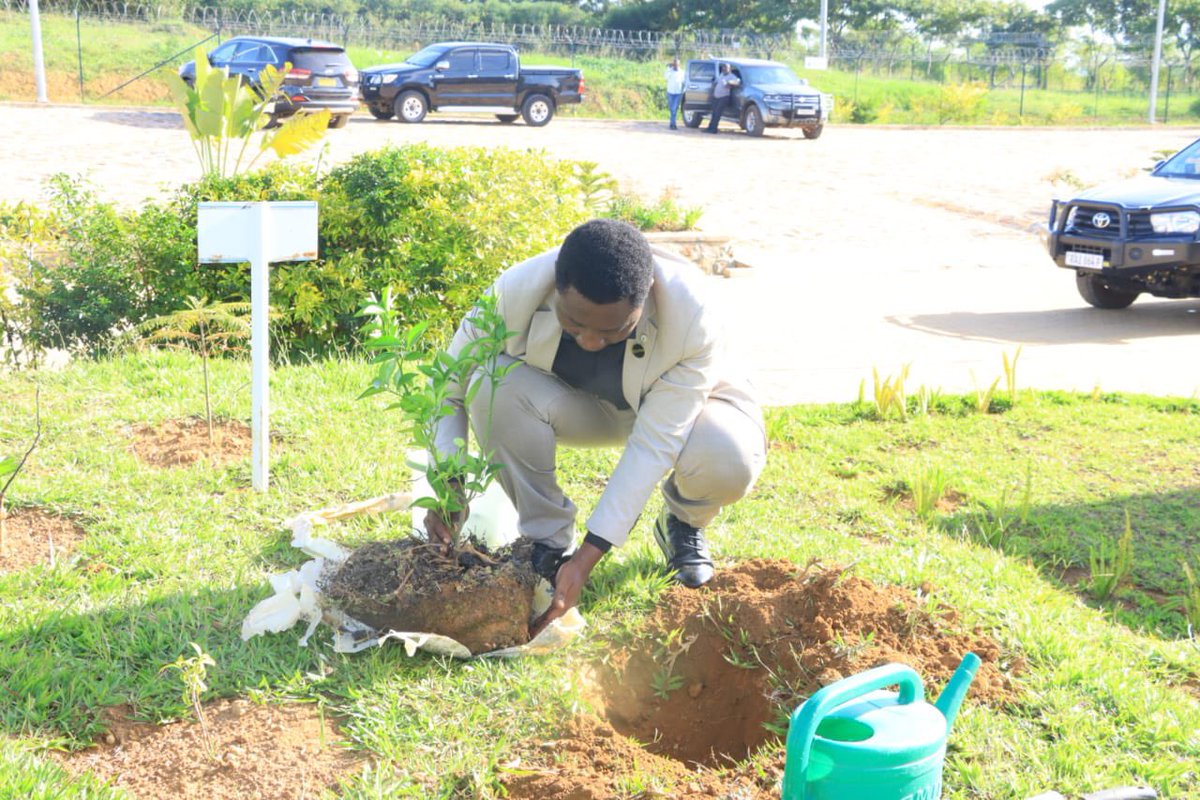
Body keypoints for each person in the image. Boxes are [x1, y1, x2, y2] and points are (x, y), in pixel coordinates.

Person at [425, 219, 766, 635]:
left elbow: (653, 445)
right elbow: (447, 386)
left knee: (726, 457)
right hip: (583, 406)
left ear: (645, 301)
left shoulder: (691, 314)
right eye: (573, 322)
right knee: (489, 382)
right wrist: (449, 484)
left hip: (691, 409)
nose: (588, 340)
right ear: (556, 288)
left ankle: (682, 522)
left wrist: (588, 557)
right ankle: (546, 542)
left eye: (612, 330)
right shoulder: (513, 291)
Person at [706, 62, 741, 134]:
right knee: (714, 113)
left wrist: (729, 82)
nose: (724, 69)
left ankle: (714, 129)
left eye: (726, 68)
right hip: (716, 96)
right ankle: (710, 128)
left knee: (717, 113)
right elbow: (716, 82)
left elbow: (737, 82)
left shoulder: (732, 76)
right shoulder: (721, 75)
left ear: (729, 69)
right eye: (723, 67)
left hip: (724, 97)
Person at [665, 58, 686, 130]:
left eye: (677, 64)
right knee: (672, 109)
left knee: (674, 109)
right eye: (675, 64)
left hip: (678, 93)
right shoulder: (670, 71)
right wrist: (669, 68)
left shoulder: (682, 72)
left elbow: (684, 82)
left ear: (679, 64)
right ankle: (672, 123)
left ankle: (673, 124)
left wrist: (683, 91)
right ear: (673, 64)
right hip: (670, 92)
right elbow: (665, 77)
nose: (676, 65)